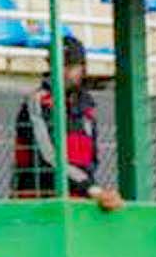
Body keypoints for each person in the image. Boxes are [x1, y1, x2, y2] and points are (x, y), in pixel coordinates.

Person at [12, 34, 124, 210]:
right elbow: (47, 157)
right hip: (38, 202)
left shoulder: (87, 109)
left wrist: (92, 191)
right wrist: (91, 189)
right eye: (59, 65)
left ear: (82, 67)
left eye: (70, 66)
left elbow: (91, 161)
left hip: (79, 203)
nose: (64, 72)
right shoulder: (37, 102)